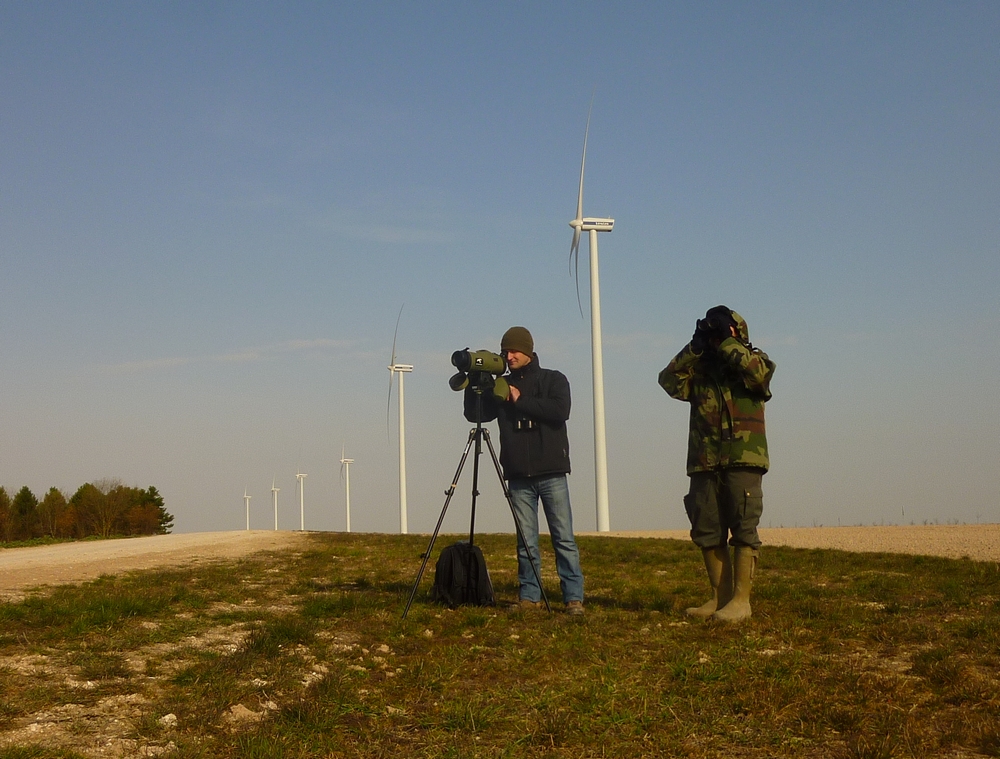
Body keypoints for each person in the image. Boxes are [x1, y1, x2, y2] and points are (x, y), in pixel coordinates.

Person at [658, 306, 775, 623]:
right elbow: (668, 380)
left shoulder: (754, 364)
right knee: (707, 530)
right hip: (704, 462)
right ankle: (720, 597)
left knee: (743, 528)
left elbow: (760, 374)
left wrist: (728, 342)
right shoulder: (699, 373)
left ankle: (741, 601)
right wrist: (695, 347)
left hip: (742, 459)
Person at [470, 326, 585, 615]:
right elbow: (476, 415)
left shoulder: (554, 380)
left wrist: (520, 401)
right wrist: (475, 386)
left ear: (529, 351)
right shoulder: (501, 386)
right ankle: (529, 597)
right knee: (526, 542)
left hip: (552, 472)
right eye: (505, 351)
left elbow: (560, 411)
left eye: (514, 351)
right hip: (519, 474)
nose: (509, 356)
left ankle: (573, 598)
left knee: (564, 539)